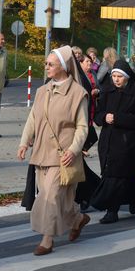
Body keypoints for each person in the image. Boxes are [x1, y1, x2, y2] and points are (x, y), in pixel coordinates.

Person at [17, 46, 90, 256]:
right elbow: (33, 118)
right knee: (60, 200)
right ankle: (77, 219)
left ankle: (47, 239)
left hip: (63, 157)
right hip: (41, 153)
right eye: (46, 63)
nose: (46, 67)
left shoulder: (78, 94)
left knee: (49, 196)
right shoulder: (42, 91)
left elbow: (83, 127)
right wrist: (24, 142)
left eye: (51, 64)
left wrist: (74, 150)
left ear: (64, 67)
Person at [91, 60, 135, 224]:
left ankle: (112, 210)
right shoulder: (107, 92)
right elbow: (97, 115)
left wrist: (118, 118)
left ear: (127, 77)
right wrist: (104, 117)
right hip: (108, 141)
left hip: (128, 142)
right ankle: (134, 196)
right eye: (114, 76)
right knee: (124, 175)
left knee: (114, 176)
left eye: (119, 77)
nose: (116, 80)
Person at [74, 53, 101, 212]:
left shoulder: (81, 81)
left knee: (78, 168)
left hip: (77, 130)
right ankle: (94, 191)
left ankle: (89, 194)